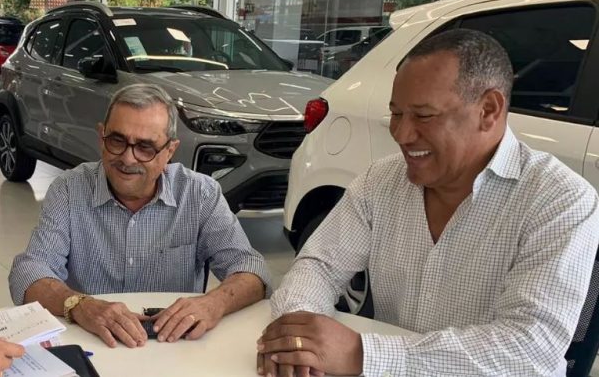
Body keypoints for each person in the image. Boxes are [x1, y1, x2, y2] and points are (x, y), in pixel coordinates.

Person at [256, 29, 599, 376]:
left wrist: (363, 353)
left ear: (488, 110)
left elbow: (530, 348)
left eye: (423, 116)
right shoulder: (380, 181)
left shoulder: (559, 200)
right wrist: (297, 337)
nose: (402, 134)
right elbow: (319, 266)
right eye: (396, 114)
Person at [9, 83, 271, 349]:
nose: (128, 158)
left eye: (145, 147)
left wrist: (213, 304)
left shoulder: (199, 194)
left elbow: (252, 270)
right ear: (101, 137)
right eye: (117, 141)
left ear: (169, 151)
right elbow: (29, 272)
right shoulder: (69, 189)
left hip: (173, 347)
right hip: (94, 342)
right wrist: (79, 305)